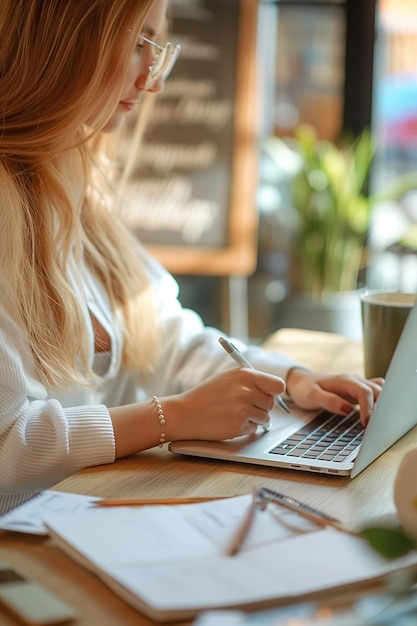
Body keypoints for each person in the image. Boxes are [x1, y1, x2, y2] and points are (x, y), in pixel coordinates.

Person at [0, 0, 383, 514]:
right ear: (60, 43)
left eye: (159, 50)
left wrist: (293, 380)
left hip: (83, 511)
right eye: (139, 43)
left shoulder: (74, 192)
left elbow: (167, 341)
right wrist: (169, 418)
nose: (153, 82)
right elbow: (8, 443)